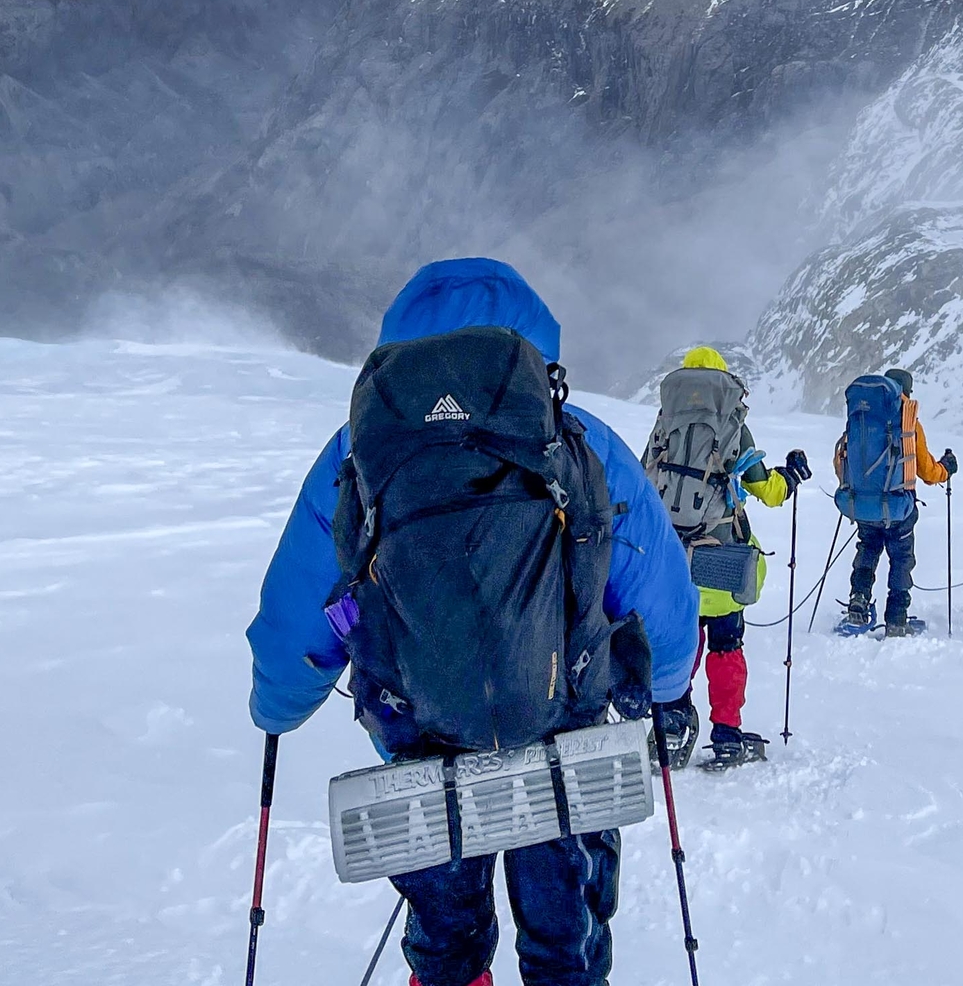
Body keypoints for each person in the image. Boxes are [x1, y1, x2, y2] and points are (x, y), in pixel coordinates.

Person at [246, 259, 698, 986]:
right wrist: (669, 685)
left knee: (446, 939)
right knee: (566, 939)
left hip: (422, 738)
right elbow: (657, 588)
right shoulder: (578, 437)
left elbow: (299, 605)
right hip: (562, 734)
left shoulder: (358, 451)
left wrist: (277, 700)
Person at [641, 345, 811, 771]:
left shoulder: (665, 424)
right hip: (720, 561)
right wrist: (790, 476)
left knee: (682, 641)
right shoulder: (733, 425)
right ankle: (727, 735)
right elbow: (767, 491)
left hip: (673, 562)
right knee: (726, 647)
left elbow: (646, 480)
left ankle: (674, 722)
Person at [834, 366, 953, 636]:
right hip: (899, 508)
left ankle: (858, 605)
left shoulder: (861, 417)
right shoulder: (908, 422)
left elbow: (842, 460)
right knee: (901, 559)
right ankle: (897, 620)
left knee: (867, 550)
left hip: (863, 505)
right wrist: (946, 469)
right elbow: (926, 471)